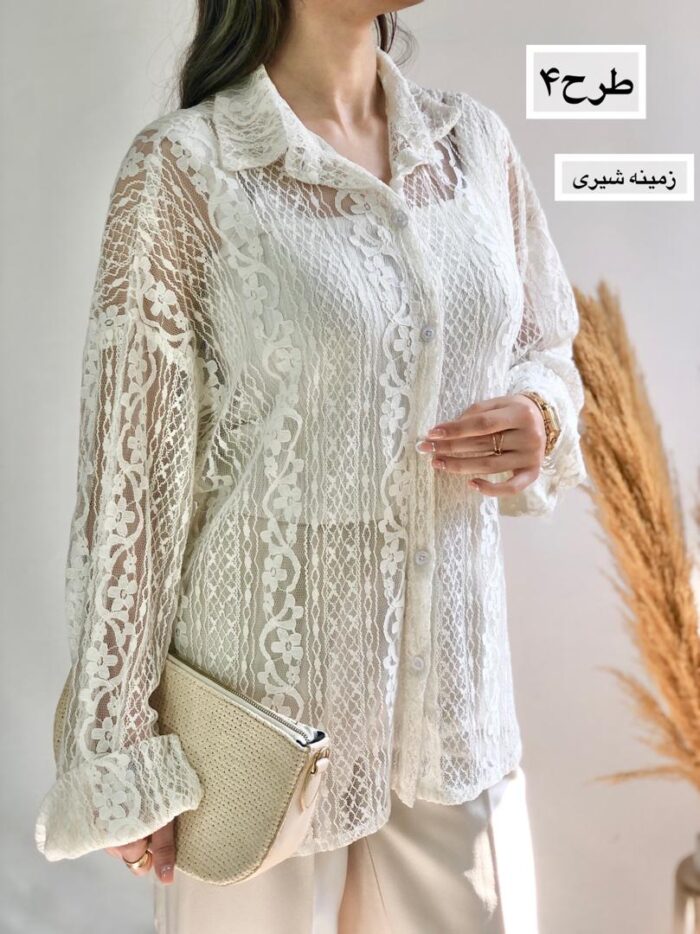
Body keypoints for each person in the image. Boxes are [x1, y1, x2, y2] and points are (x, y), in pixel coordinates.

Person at [34, 1, 588, 931]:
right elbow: (128, 491)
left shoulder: (471, 147)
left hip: (452, 723)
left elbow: (547, 344)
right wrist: (116, 746)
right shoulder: (186, 170)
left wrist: (542, 414)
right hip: (254, 744)